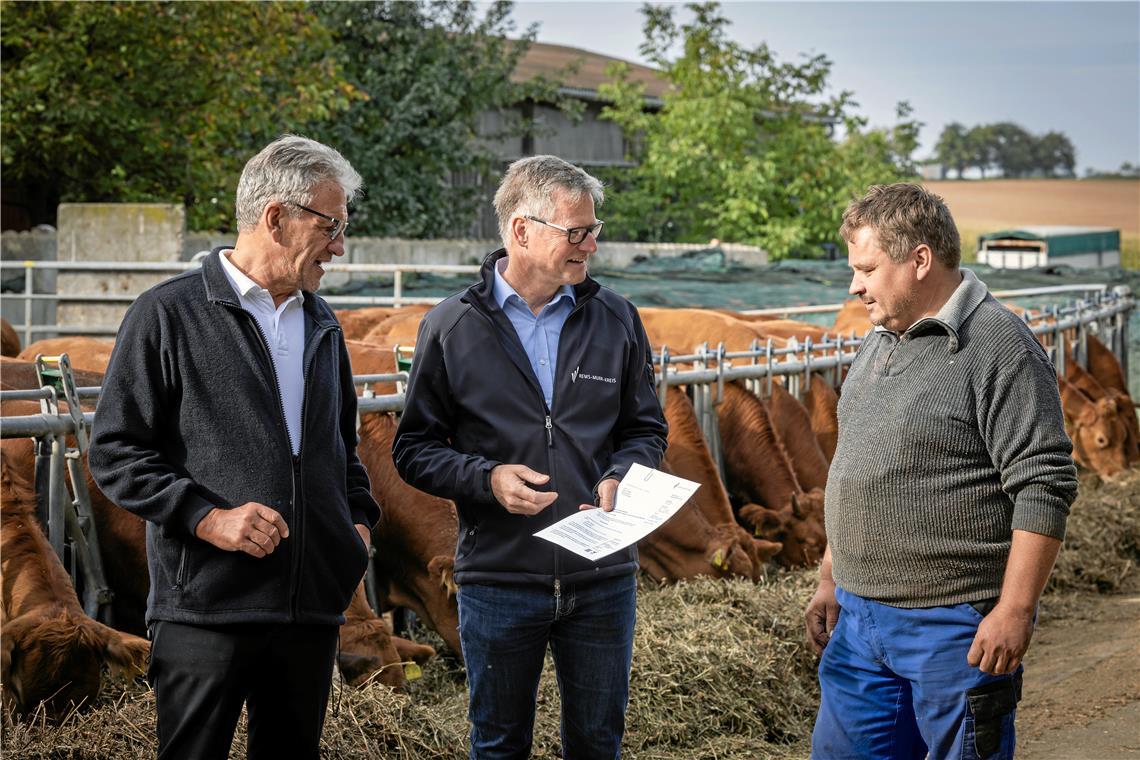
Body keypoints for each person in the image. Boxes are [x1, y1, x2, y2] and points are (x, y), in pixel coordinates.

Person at [89, 135, 380, 760]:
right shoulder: (166, 315)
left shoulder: (323, 322)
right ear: (276, 218)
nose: (339, 245)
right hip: (205, 609)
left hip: (309, 614)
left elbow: (341, 448)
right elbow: (115, 451)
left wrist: (355, 526)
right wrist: (207, 517)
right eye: (331, 226)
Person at [392, 155, 668, 759]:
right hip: (499, 577)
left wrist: (624, 471)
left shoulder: (616, 318)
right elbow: (413, 450)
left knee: (598, 741)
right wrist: (486, 479)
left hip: (602, 577)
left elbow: (645, 428)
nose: (590, 244)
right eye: (576, 232)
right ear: (522, 230)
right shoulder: (451, 327)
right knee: (497, 744)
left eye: (593, 229)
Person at [805, 183, 1078, 759]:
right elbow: (856, 466)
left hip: (952, 624)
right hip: (859, 623)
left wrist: (1014, 610)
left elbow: (1043, 482)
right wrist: (832, 577)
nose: (854, 285)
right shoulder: (881, 341)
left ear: (919, 260)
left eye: (867, 269)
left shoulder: (999, 347)